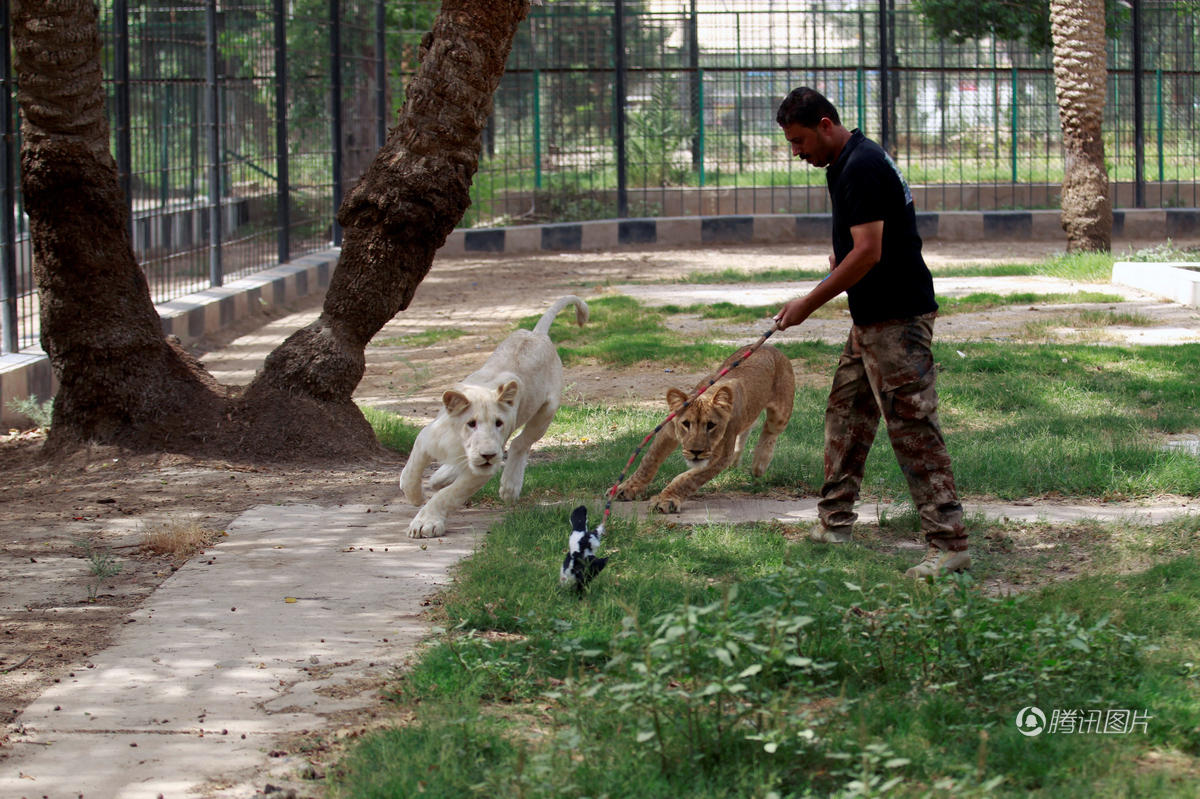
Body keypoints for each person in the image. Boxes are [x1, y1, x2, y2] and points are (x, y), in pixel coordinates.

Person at [772, 86, 969, 579]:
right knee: (846, 415)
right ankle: (834, 521)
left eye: (799, 141)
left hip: (897, 322)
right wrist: (838, 262)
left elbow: (870, 252)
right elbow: (864, 241)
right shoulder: (848, 161)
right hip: (871, 321)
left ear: (824, 125)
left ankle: (949, 546)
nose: (797, 153)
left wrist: (807, 305)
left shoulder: (860, 164)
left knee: (913, 431)